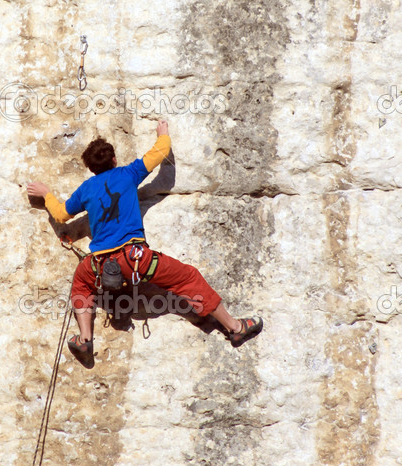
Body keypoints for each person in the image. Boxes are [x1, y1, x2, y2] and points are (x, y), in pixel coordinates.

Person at [27, 119, 262, 365]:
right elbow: (160, 151)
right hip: (137, 260)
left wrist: (46, 194)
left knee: (81, 285)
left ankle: (85, 338)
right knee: (188, 278)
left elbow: (62, 214)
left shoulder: (86, 189)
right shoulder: (128, 174)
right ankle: (235, 327)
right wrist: (163, 133)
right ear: (114, 160)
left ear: (90, 168)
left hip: (99, 264)